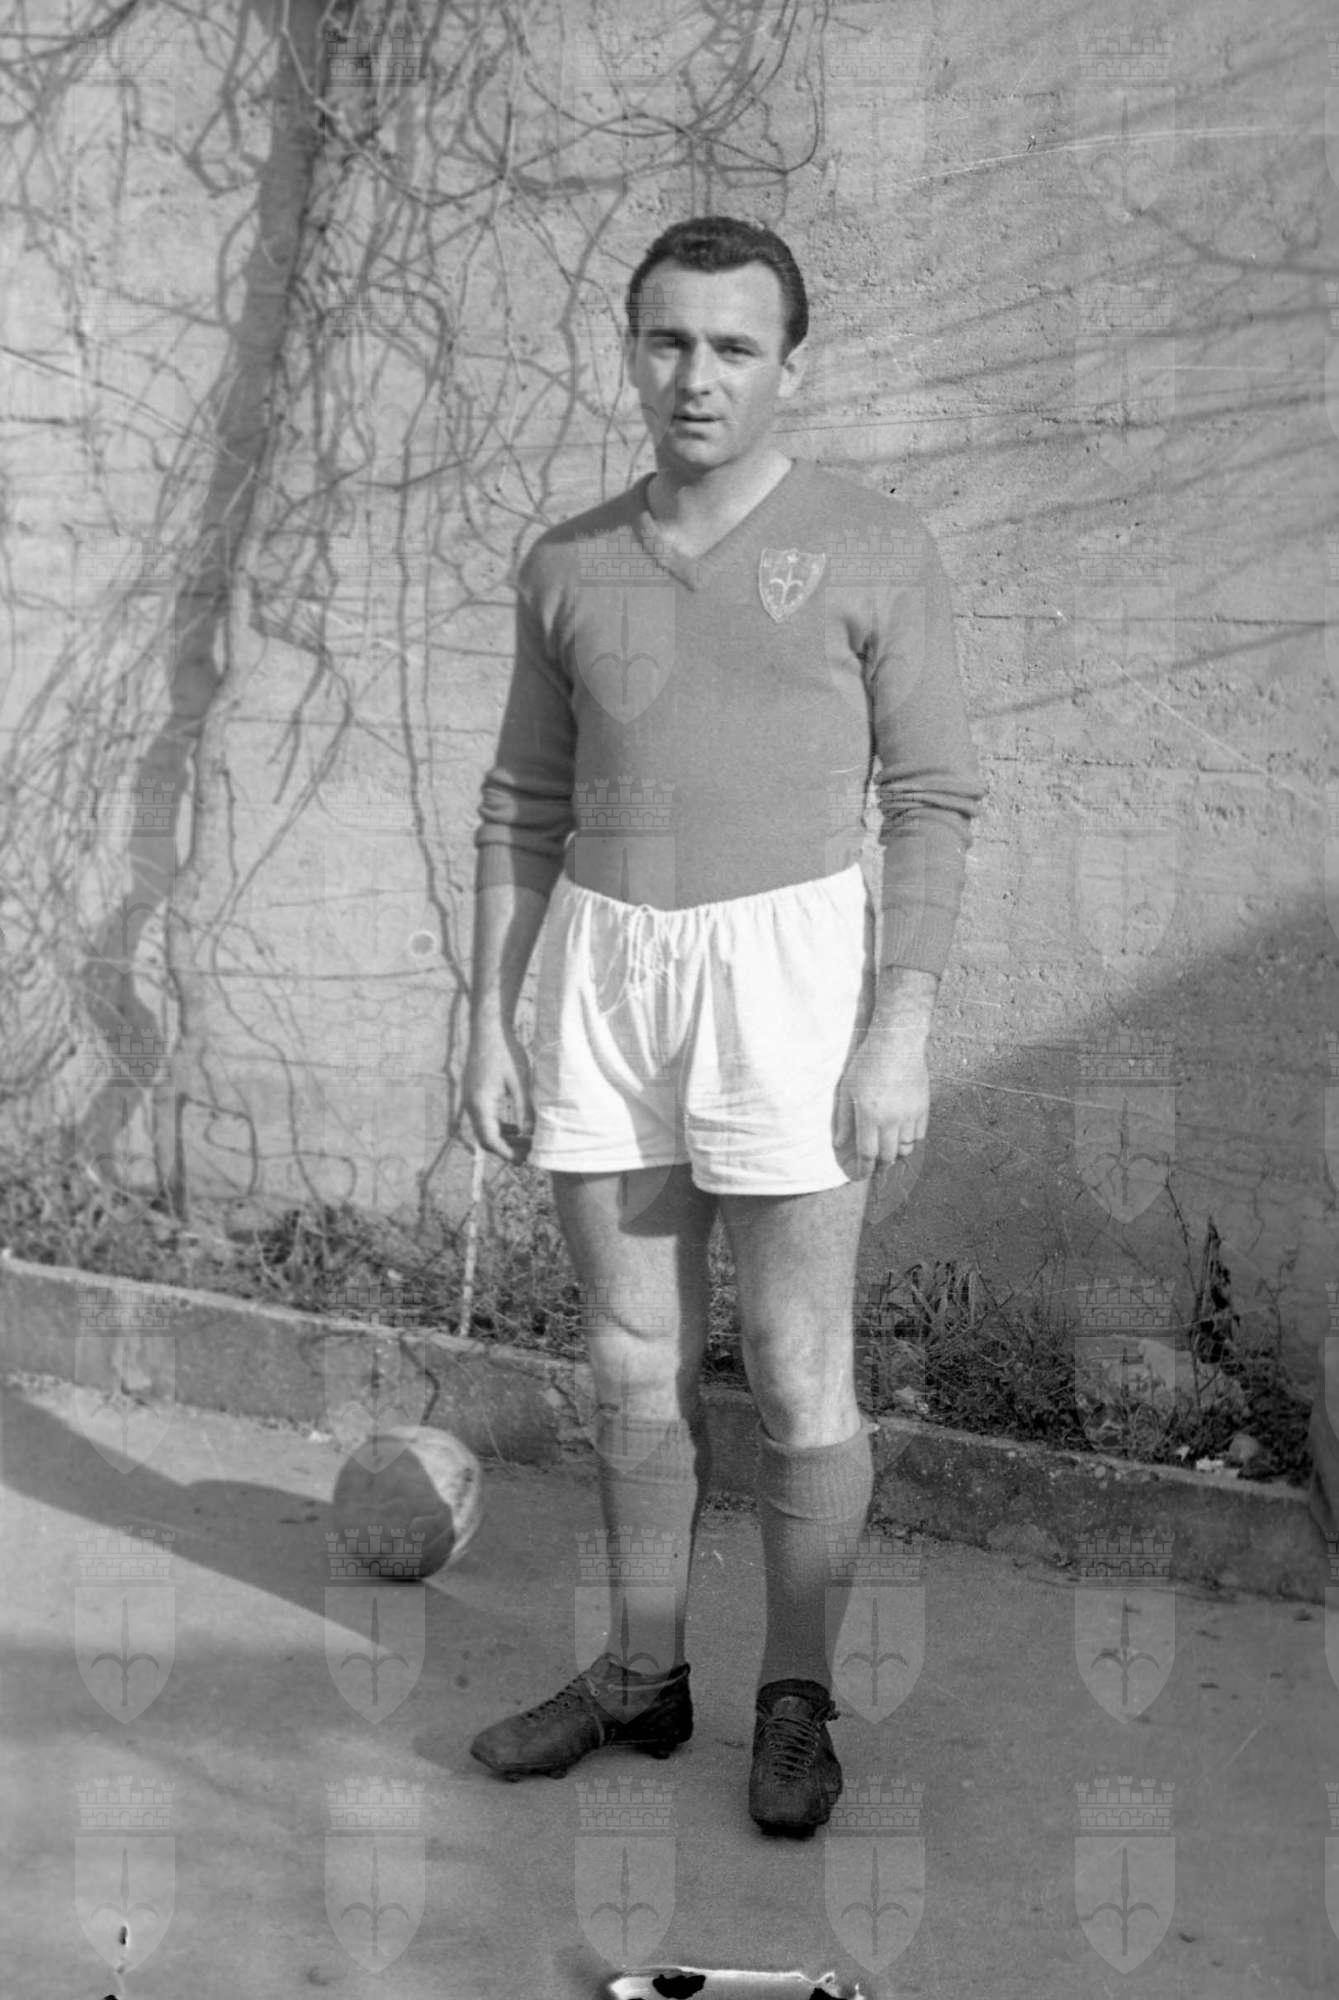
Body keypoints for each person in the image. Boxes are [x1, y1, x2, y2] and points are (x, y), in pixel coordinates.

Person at [462, 215, 984, 1837]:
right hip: (609, 970)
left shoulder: (874, 546)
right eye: (669, 340)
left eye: (735, 346)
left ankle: (797, 1702)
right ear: (632, 352)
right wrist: (487, 1020)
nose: (698, 375)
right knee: (631, 1359)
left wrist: (901, 1026)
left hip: (789, 976)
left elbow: (934, 799)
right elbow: (520, 802)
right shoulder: (567, 562)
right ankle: (642, 1676)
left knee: (796, 1363)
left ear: (789, 368)